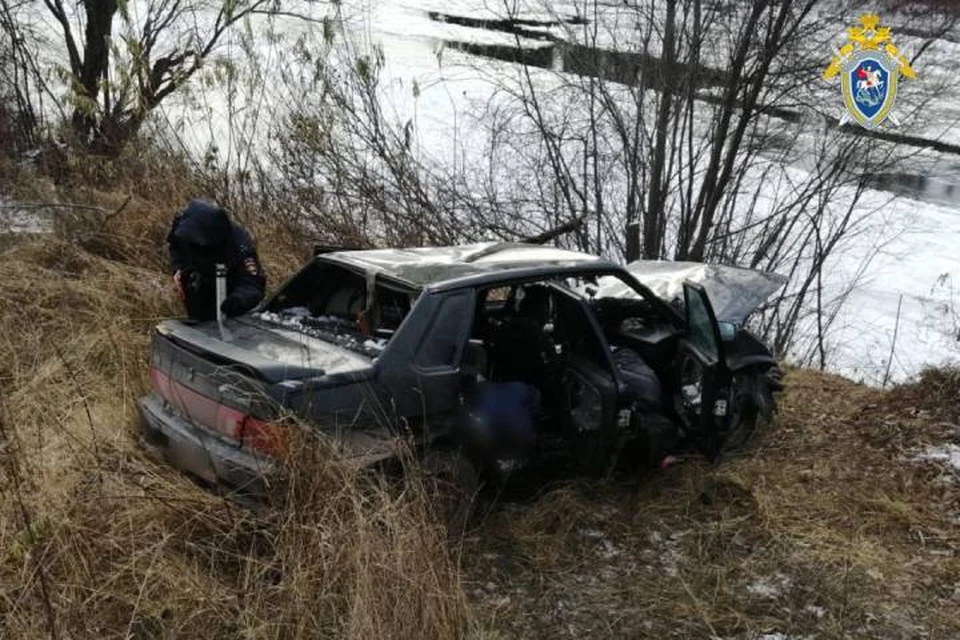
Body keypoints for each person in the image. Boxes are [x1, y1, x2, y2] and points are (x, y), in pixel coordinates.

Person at [168, 199, 266, 321]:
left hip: (230, 297)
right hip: (197, 289)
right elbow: (175, 247)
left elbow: (253, 284)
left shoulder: (240, 245)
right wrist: (178, 268)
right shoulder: (183, 225)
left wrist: (237, 301)